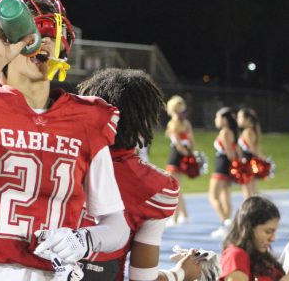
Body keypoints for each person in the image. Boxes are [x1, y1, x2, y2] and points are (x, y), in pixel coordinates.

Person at [0, 0, 129, 280]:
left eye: (51, 36)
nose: (44, 45)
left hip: (53, 275)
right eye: (33, 36)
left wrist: (83, 240)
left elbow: (115, 222)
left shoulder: (86, 117)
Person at [76, 68, 207, 281]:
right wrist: (181, 273)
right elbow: (142, 278)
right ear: (144, 121)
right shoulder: (156, 187)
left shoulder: (59, 157)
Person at [220, 196, 289, 281]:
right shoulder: (236, 255)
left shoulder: (259, 255)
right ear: (249, 228)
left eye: (274, 232)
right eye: (268, 232)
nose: (273, 238)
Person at [165, 95, 195, 226]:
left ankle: (175, 218)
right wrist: (189, 155)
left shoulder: (172, 124)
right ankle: (185, 215)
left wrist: (184, 153)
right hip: (183, 156)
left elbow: (178, 144)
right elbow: (192, 142)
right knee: (177, 188)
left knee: (174, 189)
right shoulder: (186, 123)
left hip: (175, 157)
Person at [210, 107, 240, 239]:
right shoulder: (231, 132)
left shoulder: (225, 132)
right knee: (225, 197)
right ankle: (227, 226)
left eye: (217, 117)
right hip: (226, 166)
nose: (215, 120)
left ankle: (225, 223)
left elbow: (230, 153)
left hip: (222, 165)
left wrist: (234, 164)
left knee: (213, 196)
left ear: (224, 120)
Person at [237, 108, 262, 198]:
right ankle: (256, 209)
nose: (238, 119)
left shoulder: (247, 132)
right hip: (250, 161)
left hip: (248, 162)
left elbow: (253, 149)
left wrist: (261, 161)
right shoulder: (252, 130)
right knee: (253, 190)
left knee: (248, 190)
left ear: (247, 119)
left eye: (240, 117)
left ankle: (250, 210)